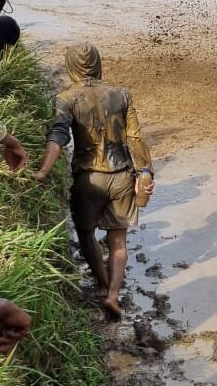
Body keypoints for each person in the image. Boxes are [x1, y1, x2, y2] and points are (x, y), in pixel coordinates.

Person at [34, 43, 155, 319]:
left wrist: (43, 170)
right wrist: (146, 173)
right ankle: (113, 295)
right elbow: (135, 138)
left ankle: (101, 285)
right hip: (122, 175)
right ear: (99, 64)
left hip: (89, 179)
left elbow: (58, 136)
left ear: (71, 67)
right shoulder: (122, 95)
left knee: (86, 234)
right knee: (119, 242)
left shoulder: (66, 98)